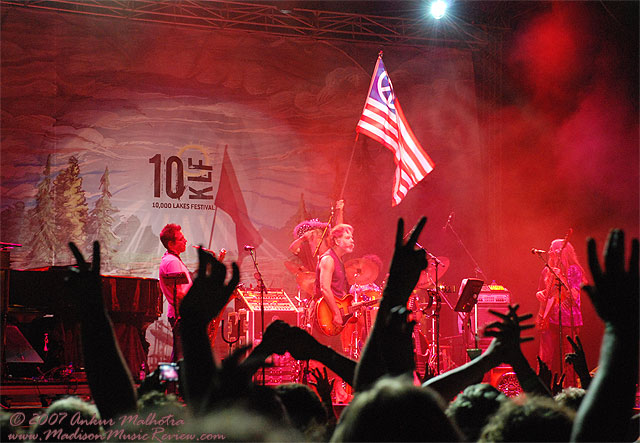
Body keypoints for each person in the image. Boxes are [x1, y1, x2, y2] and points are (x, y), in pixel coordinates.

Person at [535, 238, 586, 379]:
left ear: (561, 252)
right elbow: (542, 292)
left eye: (552, 248)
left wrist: (559, 276)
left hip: (569, 320)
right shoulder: (546, 271)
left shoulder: (574, 270)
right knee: (544, 358)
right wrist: (539, 294)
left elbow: (574, 295)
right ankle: (543, 392)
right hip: (549, 318)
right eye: (550, 248)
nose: (549, 251)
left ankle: (569, 393)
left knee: (569, 361)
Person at [158, 224, 193, 361]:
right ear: (171, 244)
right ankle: (175, 381)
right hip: (181, 315)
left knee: (180, 353)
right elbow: (179, 294)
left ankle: (174, 381)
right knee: (180, 355)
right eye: (181, 239)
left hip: (180, 314)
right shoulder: (172, 262)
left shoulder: (172, 259)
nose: (185, 241)